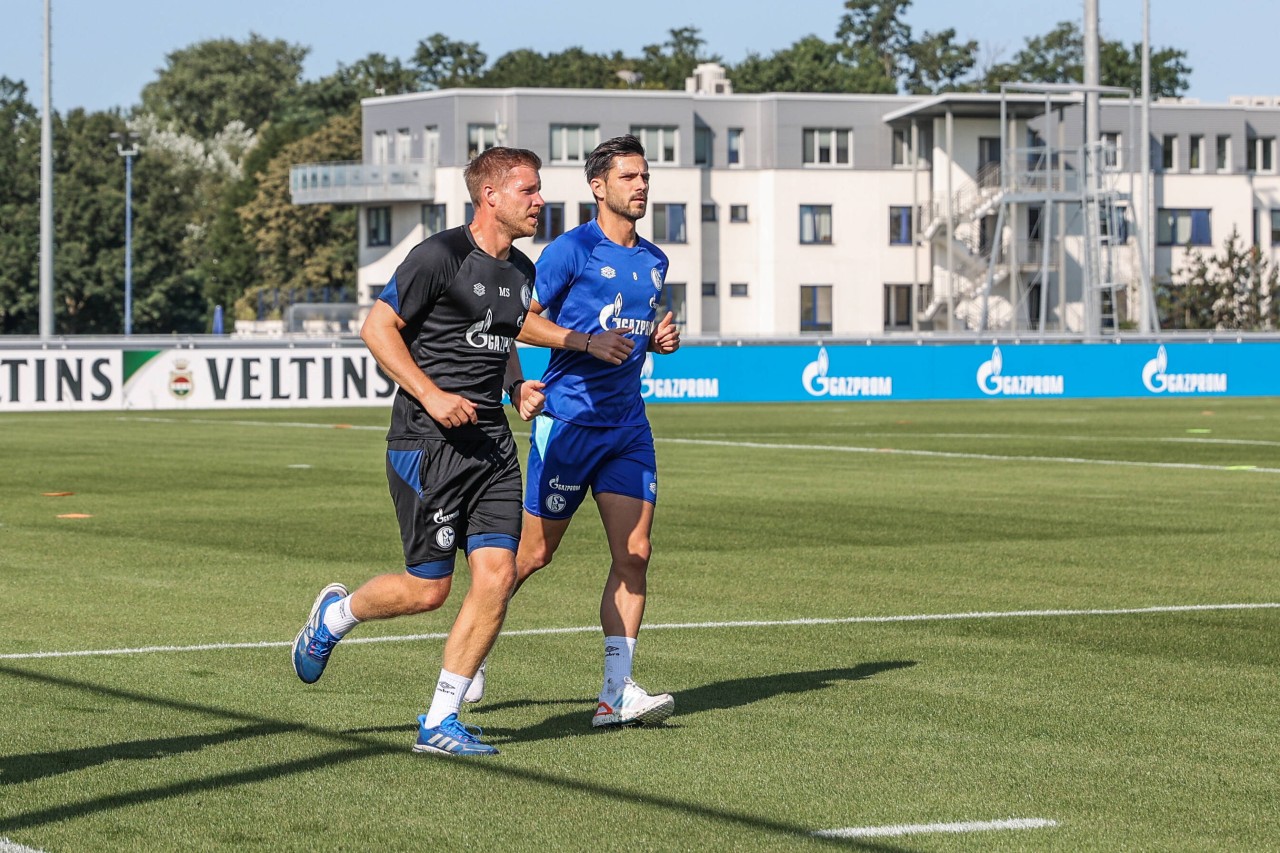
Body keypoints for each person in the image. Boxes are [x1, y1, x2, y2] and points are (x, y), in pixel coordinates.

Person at [289, 146, 629, 756]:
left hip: (492, 442)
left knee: (496, 577)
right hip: (427, 442)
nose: (539, 201)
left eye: (539, 188)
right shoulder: (437, 256)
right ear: (490, 197)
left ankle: (440, 720)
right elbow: (376, 328)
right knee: (429, 589)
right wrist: (431, 392)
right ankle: (335, 617)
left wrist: (516, 383)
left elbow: (500, 334)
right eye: (527, 190)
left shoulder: (521, 271)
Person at [467, 135, 681, 728]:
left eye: (645, 177)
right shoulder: (569, 252)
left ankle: (617, 695)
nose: (641, 187)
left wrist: (658, 340)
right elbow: (515, 320)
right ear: (599, 187)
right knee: (533, 555)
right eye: (629, 177)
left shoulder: (656, 261)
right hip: (568, 424)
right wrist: (557, 358)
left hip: (627, 428)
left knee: (634, 554)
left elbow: (633, 331)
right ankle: (472, 648)